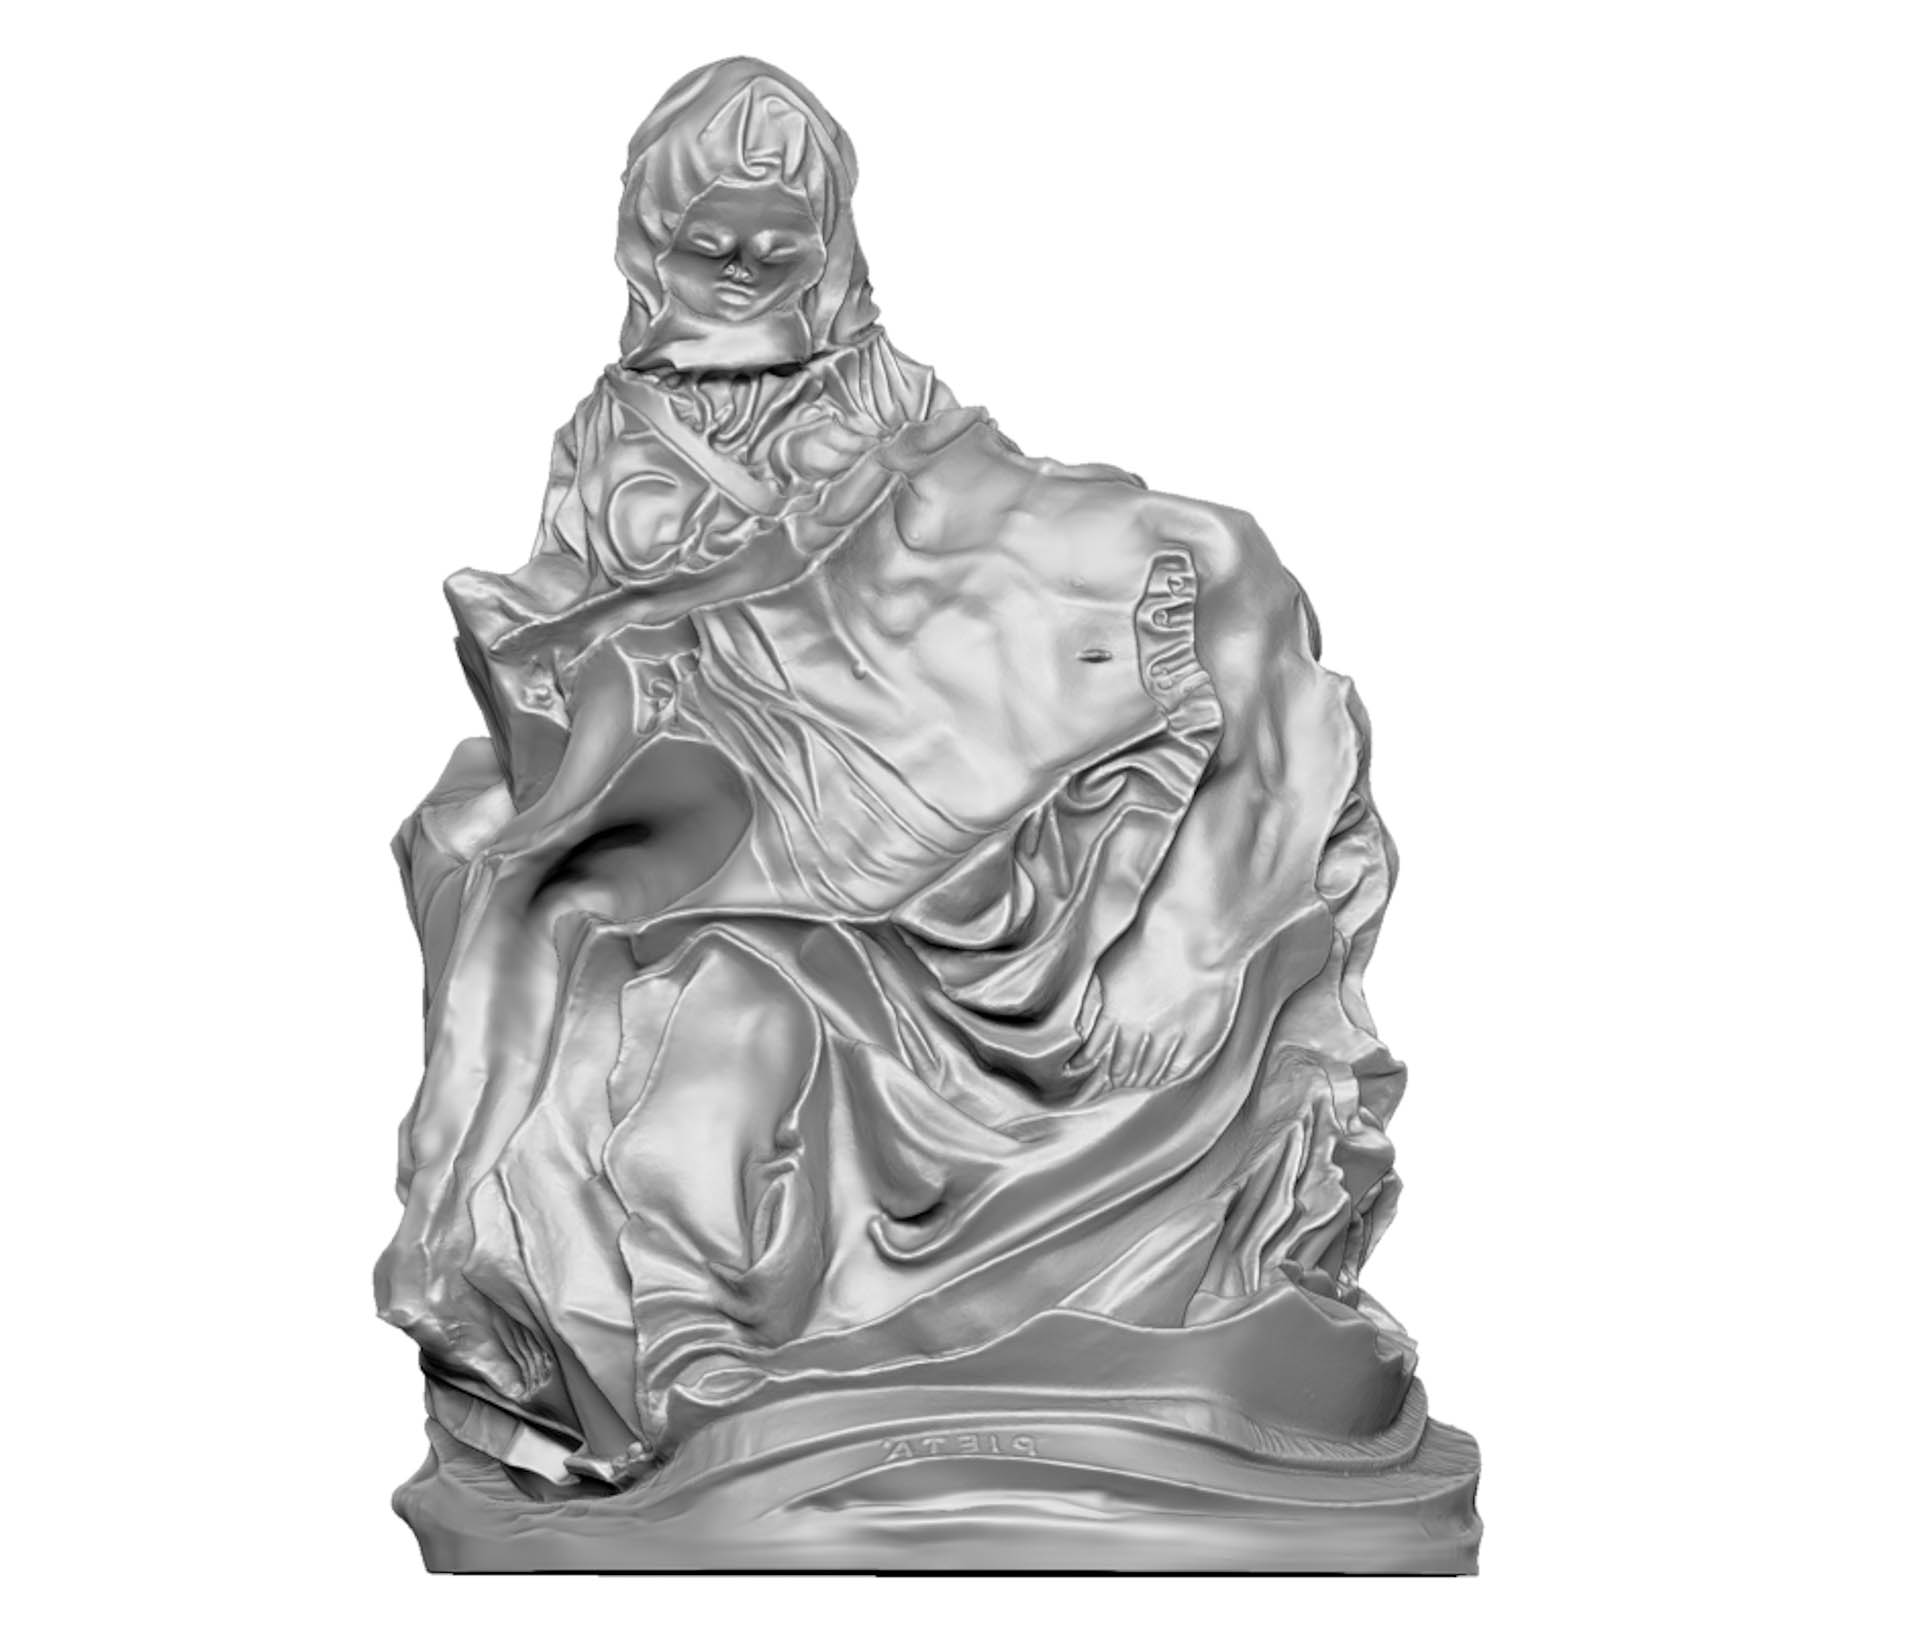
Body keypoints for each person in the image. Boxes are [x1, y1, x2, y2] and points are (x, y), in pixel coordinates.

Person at [378, 58, 1413, 1493]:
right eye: (710, 247)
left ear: (828, 244)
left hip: (919, 755)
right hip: (744, 787)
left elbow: (971, 508)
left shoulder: (879, 390)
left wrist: (1088, 573)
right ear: (651, 243)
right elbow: (589, 634)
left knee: (1209, 561)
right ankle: (690, 1354)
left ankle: (1154, 923)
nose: (742, 276)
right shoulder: (617, 443)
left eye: (776, 248)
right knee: (697, 994)